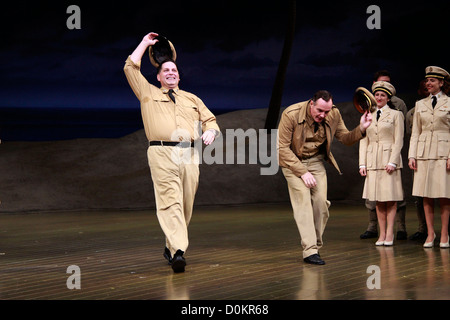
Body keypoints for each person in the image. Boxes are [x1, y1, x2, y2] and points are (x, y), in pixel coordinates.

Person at [124, 32, 220, 272]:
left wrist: (211, 131)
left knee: (185, 204)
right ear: (158, 76)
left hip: (189, 155)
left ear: (178, 75)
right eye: (166, 70)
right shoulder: (147, 93)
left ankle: (170, 245)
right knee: (170, 202)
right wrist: (145, 44)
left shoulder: (192, 98)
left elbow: (211, 120)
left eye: (174, 71)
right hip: (161, 153)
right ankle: (178, 252)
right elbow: (130, 67)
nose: (171, 73)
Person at [278, 90, 372, 265]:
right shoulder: (291, 114)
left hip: (315, 161)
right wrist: (302, 172)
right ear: (311, 104)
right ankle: (310, 250)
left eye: (326, 111)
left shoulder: (333, 113)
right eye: (320, 111)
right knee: (303, 204)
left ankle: (314, 245)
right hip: (292, 162)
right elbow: (282, 149)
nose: (323, 115)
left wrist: (361, 129)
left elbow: (345, 138)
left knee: (321, 204)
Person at [360, 70, 408, 241]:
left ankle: (390, 234)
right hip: (373, 161)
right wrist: (362, 164)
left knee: (391, 199)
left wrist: (393, 162)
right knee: (378, 200)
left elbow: (398, 140)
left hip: (389, 161)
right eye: (376, 95)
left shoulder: (396, 115)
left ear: (388, 98)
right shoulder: (368, 116)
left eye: (382, 95)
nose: (379, 98)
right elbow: (363, 140)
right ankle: (381, 234)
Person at [408, 66, 450, 248]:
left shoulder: (449, 102)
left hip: (443, 152)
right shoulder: (420, 104)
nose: (429, 83)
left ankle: (445, 234)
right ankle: (431, 234)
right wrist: (412, 155)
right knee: (426, 195)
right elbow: (416, 133)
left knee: (444, 195)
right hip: (424, 153)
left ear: (441, 83)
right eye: (427, 80)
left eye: (433, 80)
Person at [406, 80, 428, 241]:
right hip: (421, 156)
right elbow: (412, 135)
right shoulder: (413, 112)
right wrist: (413, 155)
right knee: (420, 197)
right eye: (424, 88)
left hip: (439, 155)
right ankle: (423, 228)